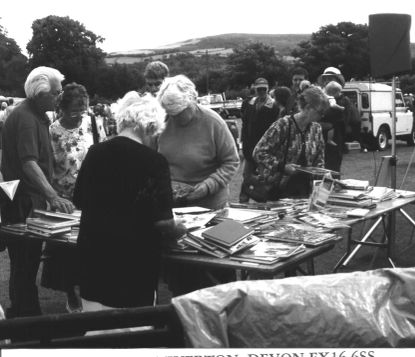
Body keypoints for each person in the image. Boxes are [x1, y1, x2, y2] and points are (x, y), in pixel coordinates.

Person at [74, 91, 185, 310]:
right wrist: (180, 228)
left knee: (96, 331)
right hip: (134, 263)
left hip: (93, 258)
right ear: (148, 126)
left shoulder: (95, 152)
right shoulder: (154, 161)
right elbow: (162, 221)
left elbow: (79, 199)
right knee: (134, 331)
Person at [0, 66, 74, 318]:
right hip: (23, 203)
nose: (60, 96)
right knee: (24, 265)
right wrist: (52, 195)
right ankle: (25, 320)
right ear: (39, 94)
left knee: (26, 264)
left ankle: (25, 316)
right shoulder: (26, 119)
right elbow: (29, 162)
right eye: (56, 92)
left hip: (26, 201)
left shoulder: (34, 115)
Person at [156, 75, 239, 295]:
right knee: (181, 270)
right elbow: (155, 159)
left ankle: (222, 310)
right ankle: (183, 309)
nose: (177, 118)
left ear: (193, 100)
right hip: (176, 206)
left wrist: (210, 184)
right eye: (172, 114)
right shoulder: (163, 122)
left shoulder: (213, 122)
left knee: (215, 267)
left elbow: (231, 161)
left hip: (210, 206)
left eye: (181, 112)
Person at [41, 83, 106, 313]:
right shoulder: (53, 131)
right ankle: (71, 294)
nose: (79, 115)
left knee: (92, 247)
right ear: (62, 108)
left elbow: (103, 153)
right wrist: (53, 195)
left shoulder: (93, 123)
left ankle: (91, 291)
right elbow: (48, 167)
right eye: (74, 111)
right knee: (67, 251)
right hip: (66, 199)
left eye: (83, 109)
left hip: (92, 196)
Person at [253, 86, 328, 199]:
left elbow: (319, 160)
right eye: (320, 112)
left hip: (306, 191)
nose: (322, 116)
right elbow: (259, 152)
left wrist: (323, 176)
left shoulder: (316, 129)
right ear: (307, 108)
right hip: (279, 190)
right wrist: (282, 167)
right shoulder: (283, 125)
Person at [239, 77, 280, 202]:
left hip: (265, 148)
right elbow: (244, 125)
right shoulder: (247, 103)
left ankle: (262, 199)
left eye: (264, 89)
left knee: (264, 177)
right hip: (249, 146)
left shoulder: (274, 106)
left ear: (268, 89)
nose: (261, 91)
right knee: (246, 175)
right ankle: (243, 199)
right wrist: (242, 144)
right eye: (259, 89)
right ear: (254, 89)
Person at [320, 81, 347, 172]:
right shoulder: (333, 99)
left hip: (331, 137)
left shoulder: (323, 97)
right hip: (333, 138)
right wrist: (341, 109)